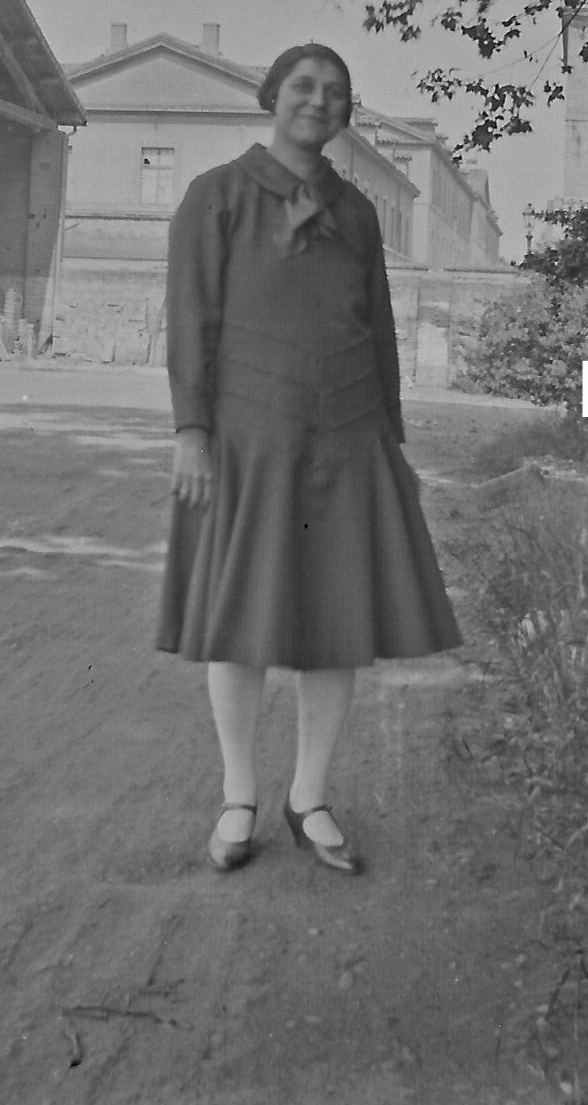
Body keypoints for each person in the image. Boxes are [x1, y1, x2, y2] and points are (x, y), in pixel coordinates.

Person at [157, 43, 462, 876]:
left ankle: (309, 797)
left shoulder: (357, 213)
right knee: (241, 618)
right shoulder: (213, 197)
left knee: (336, 624)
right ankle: (239, 796)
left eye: (334, 92)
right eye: (302, 86)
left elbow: (379, 328)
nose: (318, 102)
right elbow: (191, 323)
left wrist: (388, 440)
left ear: (345, 111)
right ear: (271, 95)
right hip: (249, 439)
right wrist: (192, 432)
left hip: (348, 435)